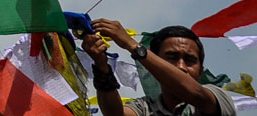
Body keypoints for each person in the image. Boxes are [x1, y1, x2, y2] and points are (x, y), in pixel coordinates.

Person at [80, 18, 236, 116]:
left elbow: (195, 94)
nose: (181, 67)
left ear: (201, 70)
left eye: (189, 60)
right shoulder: (145, 108)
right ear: (154, 64)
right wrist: (101, 66)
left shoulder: (218, 98)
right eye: (172, 58)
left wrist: (132, 45)